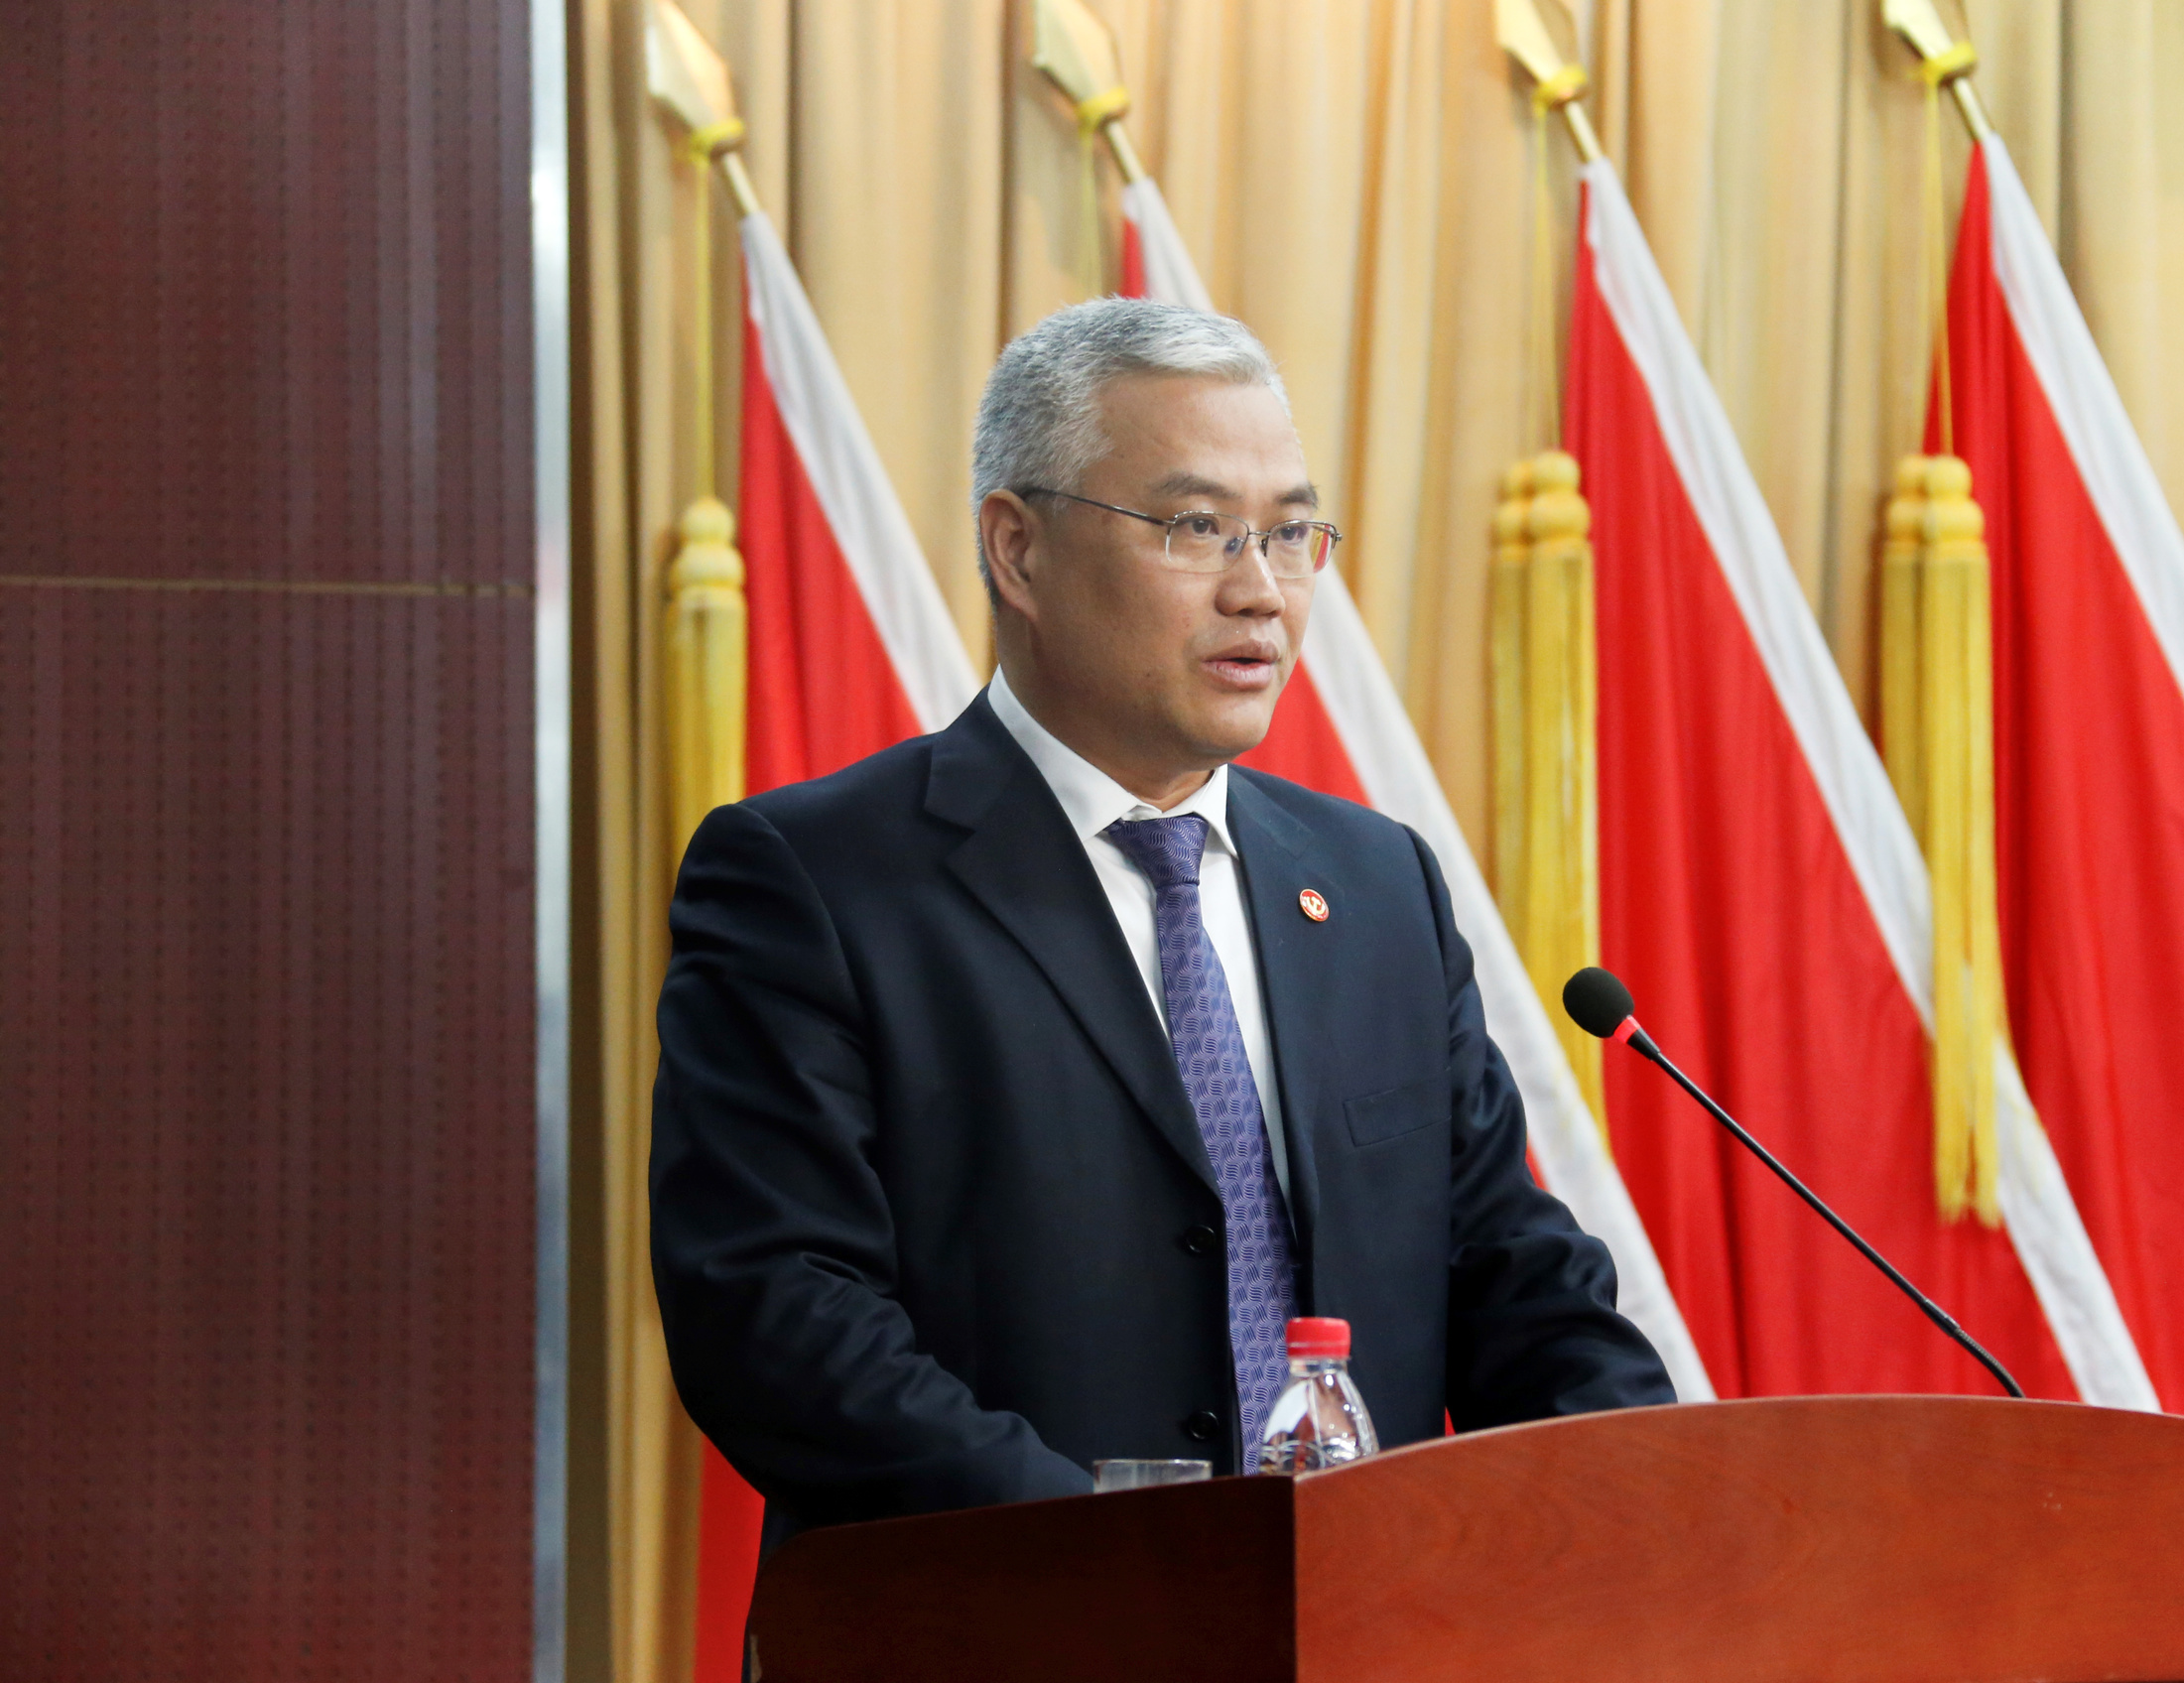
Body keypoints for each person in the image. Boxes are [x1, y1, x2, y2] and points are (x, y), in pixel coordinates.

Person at [650, 298, 1673, 1538]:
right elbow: (778, 1320)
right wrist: (1132, 1566)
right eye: (1198, 528)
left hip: (1365, 1619)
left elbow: (1511, 1271)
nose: (1262, 592)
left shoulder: (1375, 886)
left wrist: (1653, 1501)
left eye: (1291, 533)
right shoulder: (814, 881)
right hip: (1006, 1614)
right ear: (1018, 551)